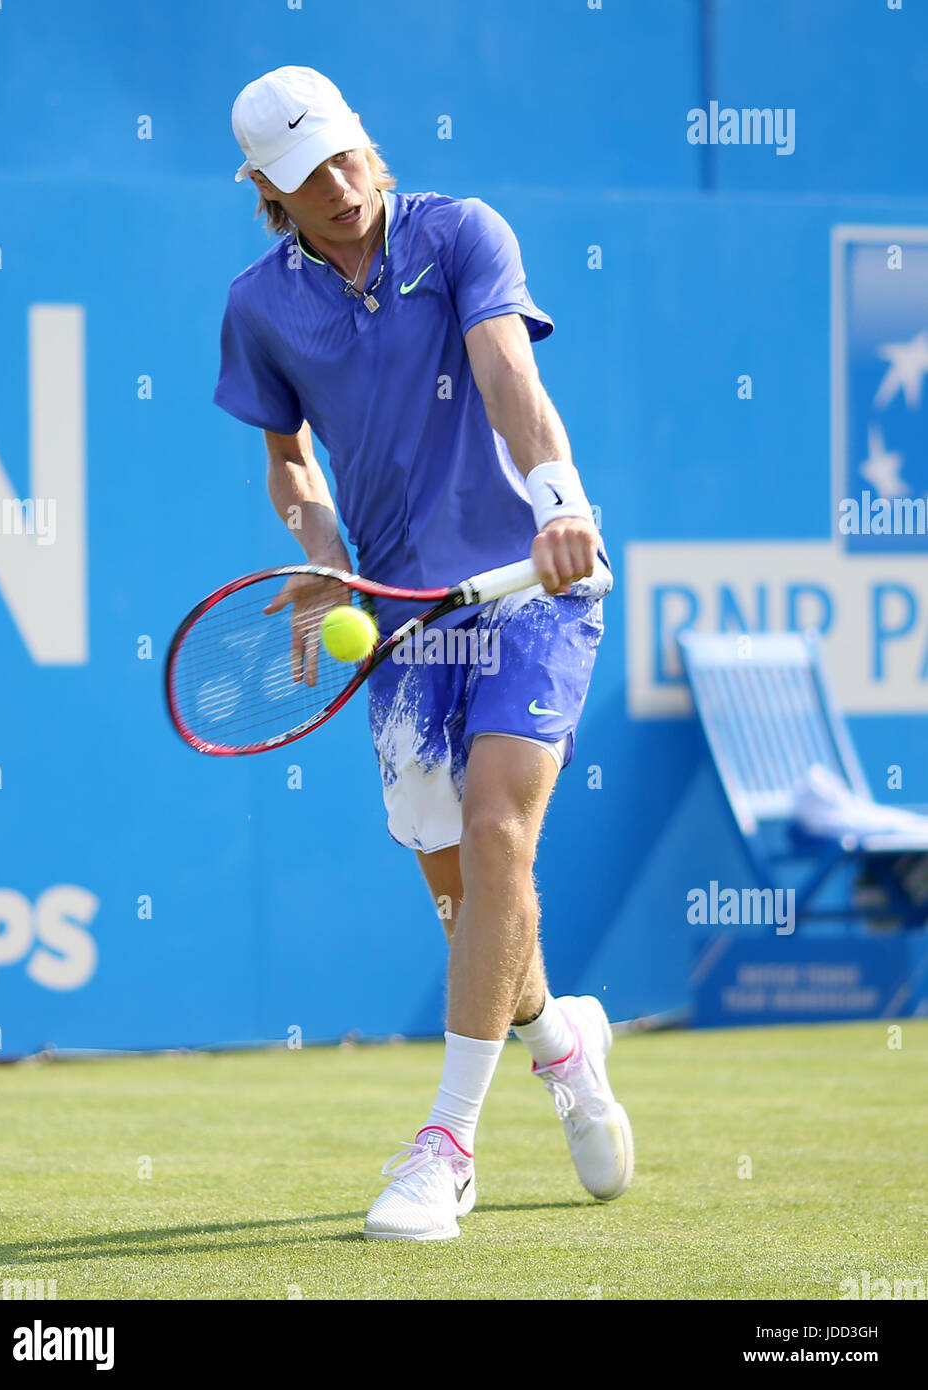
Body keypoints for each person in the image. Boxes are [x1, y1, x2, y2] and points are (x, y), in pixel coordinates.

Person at [214, 64, 633, 1241]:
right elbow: (290, 461)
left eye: (349, 157)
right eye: (308, 177)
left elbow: (506, 371)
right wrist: (318, 552)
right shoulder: (258, 306)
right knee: (466, 903)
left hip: (530, 582)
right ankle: (557, 1038)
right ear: (266, 189)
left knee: (501, 829)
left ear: (368, 144)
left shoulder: (458, 236)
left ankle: (445, 1145)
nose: (341, 188)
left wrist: (558, 499)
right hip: (401, 618)